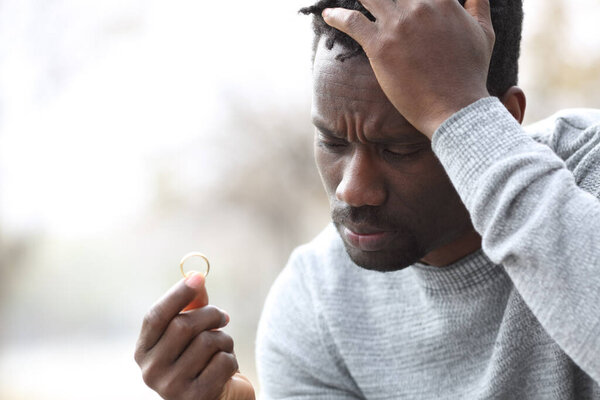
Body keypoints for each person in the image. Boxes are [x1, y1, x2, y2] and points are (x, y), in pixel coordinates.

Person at [135, 0, 600, 398]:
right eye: (333, 143)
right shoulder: (317, 304)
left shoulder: (589, 172)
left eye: (400, 148)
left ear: (502, 121)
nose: (352, 189)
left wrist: (462, 114)